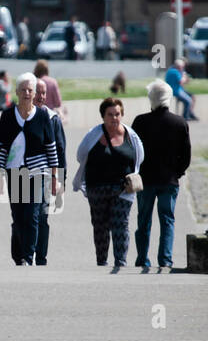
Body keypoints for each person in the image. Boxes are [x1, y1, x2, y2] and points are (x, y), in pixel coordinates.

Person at [0, 73, 60, 266]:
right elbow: (0, 148)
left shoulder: (42, 116)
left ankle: (28, 257)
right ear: (16, 92)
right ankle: (19, 254)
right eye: (23, 89)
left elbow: (51, 148)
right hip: (14, 172)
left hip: (38, 172)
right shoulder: (7, 116)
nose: (27, 93)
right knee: (18, 216)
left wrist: (54, 177)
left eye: (30, 90)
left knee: (32, 214)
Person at [73, 97, 144, 271]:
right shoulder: (94, 134)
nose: (114, 118)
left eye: (117, 114)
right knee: (100, 226)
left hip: (122, 189)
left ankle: (120, 262)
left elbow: (140, 156)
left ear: (122, 114)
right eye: (110, 115)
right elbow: (81, 155)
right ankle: (102, 262)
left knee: (121, 225)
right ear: (103, 116)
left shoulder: (131, 135)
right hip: (97, 188)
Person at [131, 80, 191, 272]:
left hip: (146, 180)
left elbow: (132, 151)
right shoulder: (180, 123)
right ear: (169, 99)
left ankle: (142, 258)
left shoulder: (140, 122)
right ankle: (165, 259)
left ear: (151, 99)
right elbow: (186, 154)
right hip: (169, 180)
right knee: (167, 219)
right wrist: (178, 172)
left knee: (144, 220)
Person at [32, 77, 67, 265]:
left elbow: (61, 151)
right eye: (38, 92)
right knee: (23, 217)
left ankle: (41, 257)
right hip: (21, 176)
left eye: (44, 93)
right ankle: (25, 253)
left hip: (46, 175)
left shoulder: (53, 119)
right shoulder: (20, 116)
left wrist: (61, 180)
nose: (41, 96)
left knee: (42, 216)